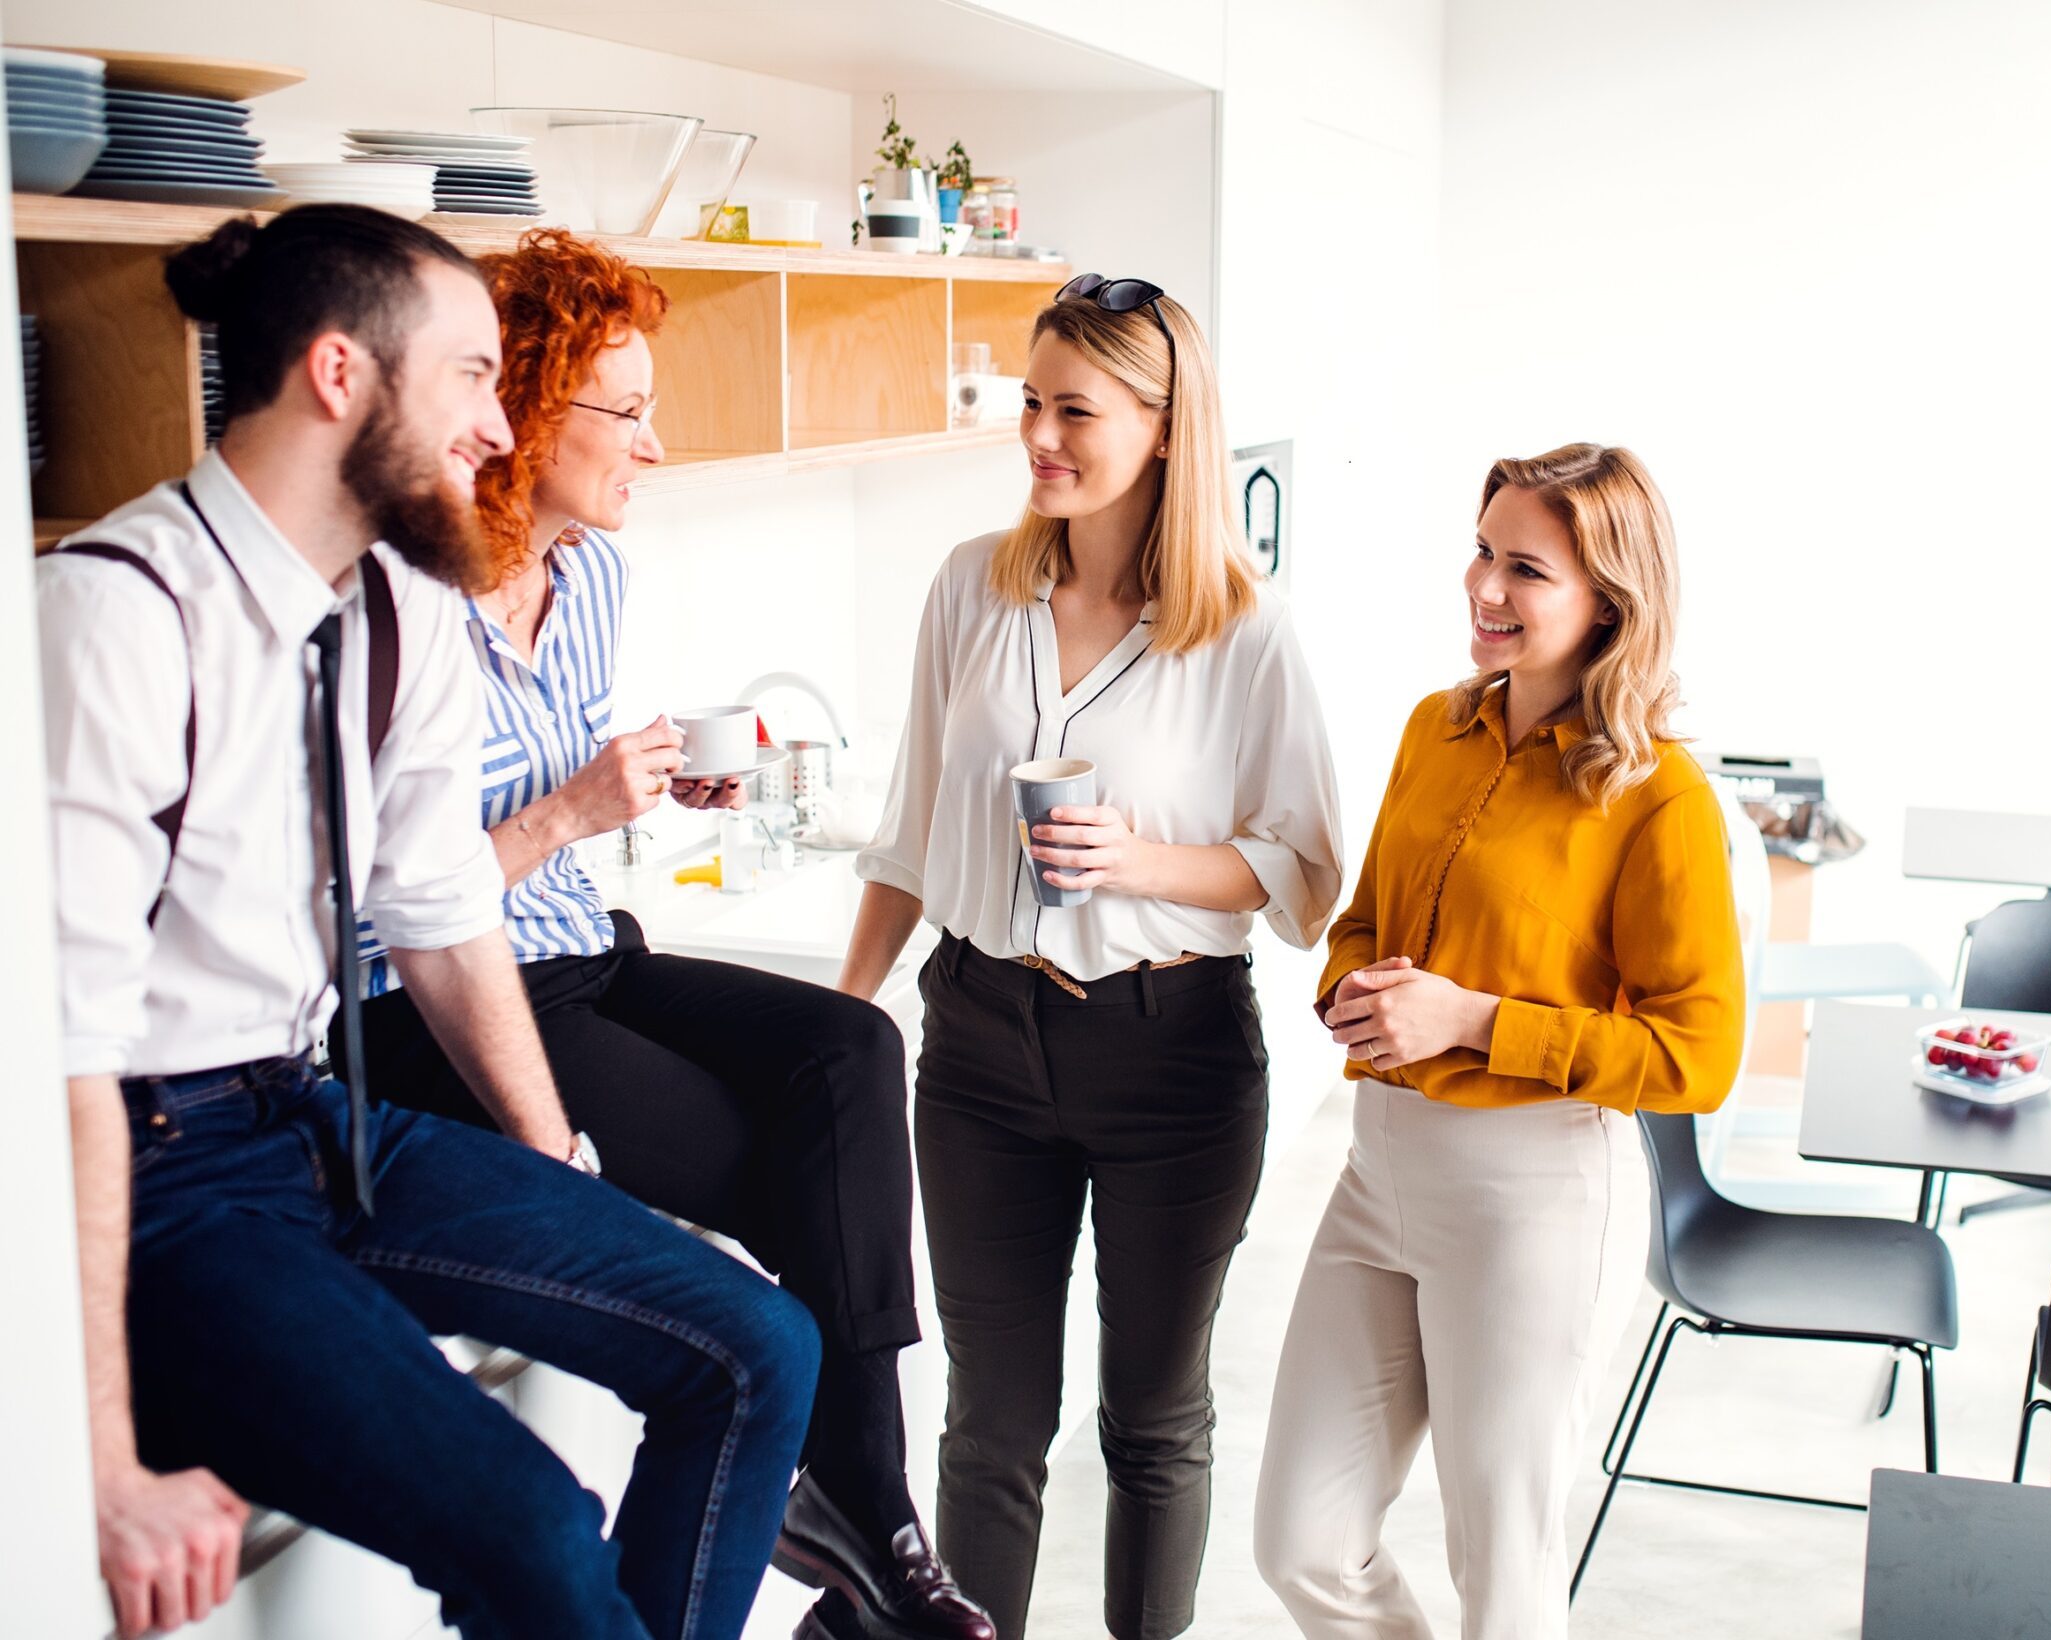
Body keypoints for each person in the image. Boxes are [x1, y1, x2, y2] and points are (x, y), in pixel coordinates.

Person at [40, 206, 820, 1640]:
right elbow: (64, 1059)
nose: (497, 419)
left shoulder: (397, 605)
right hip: (162, 1180)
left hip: (316, 1118)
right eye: (472, 375)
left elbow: (443, 909)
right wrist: (104, 1468)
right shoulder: (114, 615)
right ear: (342, 373)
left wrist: (553, 1167)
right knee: (533, 1526)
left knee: (758, 1342)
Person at [334, 228, 991, 1640]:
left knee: (850, 1047)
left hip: (587, 947)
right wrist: (571, 810)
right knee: (804, 1181)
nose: (654, 443)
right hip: (439, 1005)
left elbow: (562, 808)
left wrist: (646, 790)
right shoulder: (402, 604)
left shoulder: (600, 580)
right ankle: (872, 1520)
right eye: (625, 412)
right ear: (516, 411)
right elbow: (386, 906)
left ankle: (858, 1506)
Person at [839, 274, 1344, 1640]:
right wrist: (841, 1023)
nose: (1039, 438)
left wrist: (1141, 861)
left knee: (1153, 1415)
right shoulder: (972, 589)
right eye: (1029, 405)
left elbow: (1303, 875)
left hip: (1172, 1055)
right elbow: (905, 829)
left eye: (1075, 410)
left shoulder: (1245, 629)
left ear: (1165, 427)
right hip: (980, 1042)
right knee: (989, 1420)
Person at [1252, 443, 1748, 1639]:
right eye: (1482, 550)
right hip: (1377, 1170)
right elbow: (1364, 916)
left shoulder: (1658, 794)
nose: (1483, 587)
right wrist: (1349, 989)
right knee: (1301, 1542)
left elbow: (1697, 1055)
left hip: (1533, 1200)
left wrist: (1470, 1019)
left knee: (1504, 1573)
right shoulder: (1437, 727)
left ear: (1608, 601)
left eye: (1524, 568)